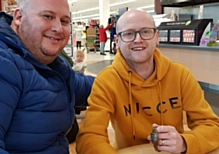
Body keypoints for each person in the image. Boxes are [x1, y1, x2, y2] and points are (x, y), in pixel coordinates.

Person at [76, 9, 219, 154]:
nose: (138, 39)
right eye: (129, 33)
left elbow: (211, 125)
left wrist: (184, 143)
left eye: (145, 31)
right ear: (117, 42)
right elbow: (90, 136)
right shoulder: (106, 82)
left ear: (157, 37)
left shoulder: (180, 75)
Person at [0, 0, 94, 153]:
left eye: (64, 21)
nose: (58, 28)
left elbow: (80, 85)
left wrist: (126, 80)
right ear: (19, 17)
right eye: (47, 16)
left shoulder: (46, 61)